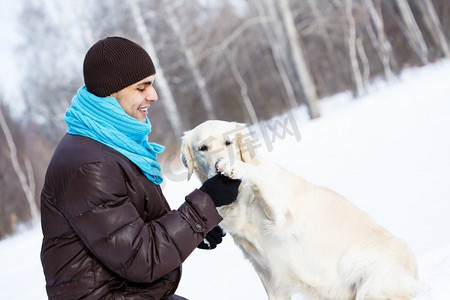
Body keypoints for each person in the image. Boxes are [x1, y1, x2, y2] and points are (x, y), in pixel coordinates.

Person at [40, 36, 241, 300]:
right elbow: (140, 257)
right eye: (141, 87)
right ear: (111, 92)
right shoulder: (89, 165)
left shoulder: (107, 142)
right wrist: (204, 205)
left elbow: (128, 231)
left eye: (152, 85)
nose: (153, 95)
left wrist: (193, 230)